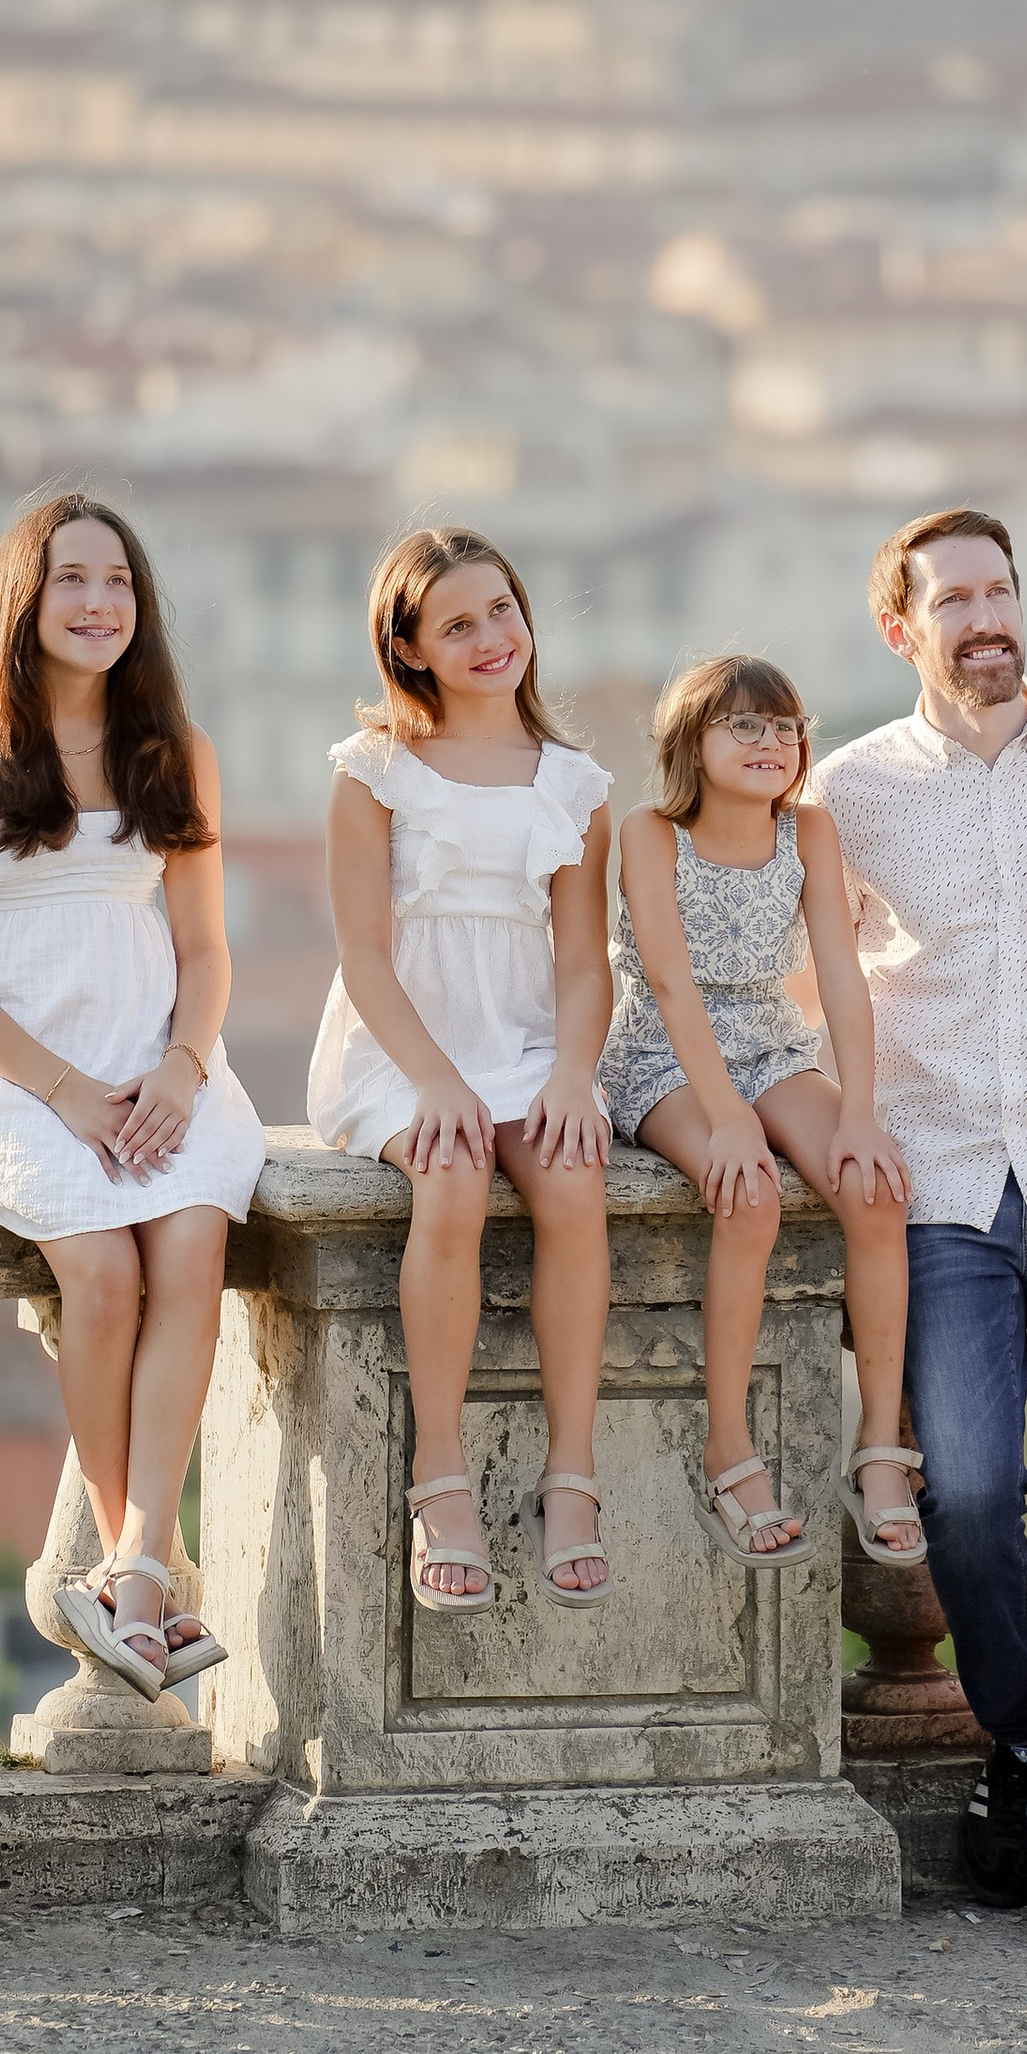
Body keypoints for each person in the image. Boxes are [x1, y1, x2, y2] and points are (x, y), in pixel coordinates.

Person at [811, 507, 1027, 1951]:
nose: (988, 617)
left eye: (1003, 588)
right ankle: (1026, 1741)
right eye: (953, 598)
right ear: (901, 629)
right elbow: (788, 984)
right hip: (942, 1186)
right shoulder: (845, 794)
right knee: (962, 1498)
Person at [0, 490, 264, 1699]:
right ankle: (140, 1569)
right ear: (25, 598)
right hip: (13, 1069)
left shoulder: (179, 751)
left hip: (156, 1058)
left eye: (118, 582)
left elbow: (207, 953)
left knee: (193, 1253)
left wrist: (182, 1066)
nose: (99, 602)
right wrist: (60, 1090)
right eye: (72, 580)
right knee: (102, 1274)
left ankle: (136, 1574)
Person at [308, 524, 616, 1611]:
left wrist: (574, 1075)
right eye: (456, 624)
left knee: (576, 1182)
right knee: (451, 1177)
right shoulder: (375, 773)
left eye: (501, 610)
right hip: (403, 1043)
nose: (490, 637)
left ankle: (570, 1474)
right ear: (410, 650)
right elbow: (362, 952)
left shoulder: (574, 785)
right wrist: (437, 1081)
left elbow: (583, 965)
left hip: (528, 1039)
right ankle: (439, 1479)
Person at [601, 652, 921, 1570]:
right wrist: (726, 1118)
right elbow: (666, 983)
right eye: (742, 725)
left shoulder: (808, 832)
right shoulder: (650, 834)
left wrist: (857, 1109)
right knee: (750, 1198)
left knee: (876, 1192)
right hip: (666, 1055)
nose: (770, 741)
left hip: (773, 1045)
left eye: (784, 726)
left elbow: (841, 978)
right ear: (691, 745)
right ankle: (730, 1451)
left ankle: (880, 1453)